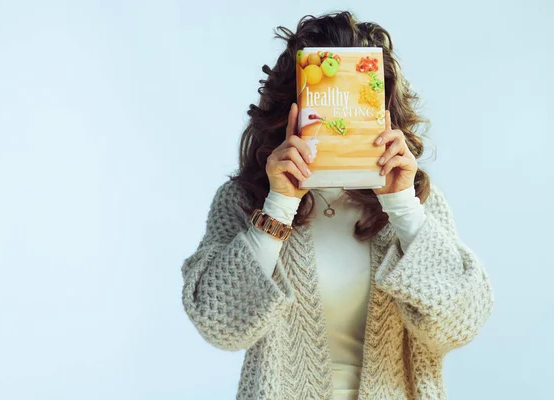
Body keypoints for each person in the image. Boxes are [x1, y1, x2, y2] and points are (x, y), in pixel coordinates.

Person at [180, 10, 494, 400]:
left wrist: (402, 206)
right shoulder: (246, 201)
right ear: (290, 107)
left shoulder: (417, 204)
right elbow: (219, 324)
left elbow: (461, 321)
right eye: (325, 100)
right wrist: (279, 204)